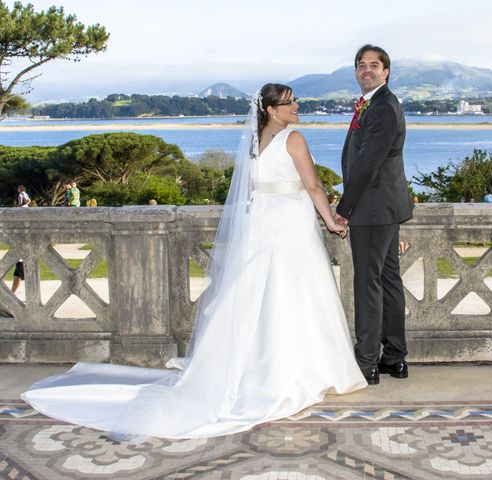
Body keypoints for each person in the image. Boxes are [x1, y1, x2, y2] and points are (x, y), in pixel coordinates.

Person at [21, 83, 367, 439]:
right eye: (289, 103)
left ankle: (258, 363)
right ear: (272, 110)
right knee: (299, 289)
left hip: (264, 222)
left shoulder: (253, 143)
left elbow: (251, 190)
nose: (297, 106)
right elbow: (312, 187)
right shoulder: (293, 139)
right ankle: (307, 367)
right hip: (291, 221)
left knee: (263, 292)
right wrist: (331, 220)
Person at [335, 45, 414, 385]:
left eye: (374, 65)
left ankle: (367, 361)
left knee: (368, 283)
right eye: (361, 65)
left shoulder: (383, 107)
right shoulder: (375, 104)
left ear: (386, 72)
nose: (366, 70)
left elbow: (367, 163)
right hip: (385, 207)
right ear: (356, 72)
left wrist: (343, 208)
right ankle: (394, 357)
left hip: (372, 208)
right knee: (387, 280)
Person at [12, 186, 31, 294]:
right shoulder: (26, 194)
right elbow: (29, 201)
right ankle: (12, 294)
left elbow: (20, 202)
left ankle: (31, 297)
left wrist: (17, 208)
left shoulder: (20, 195)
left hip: (21, 258)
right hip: (20, 257)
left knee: (26, 277)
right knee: (17, 275)